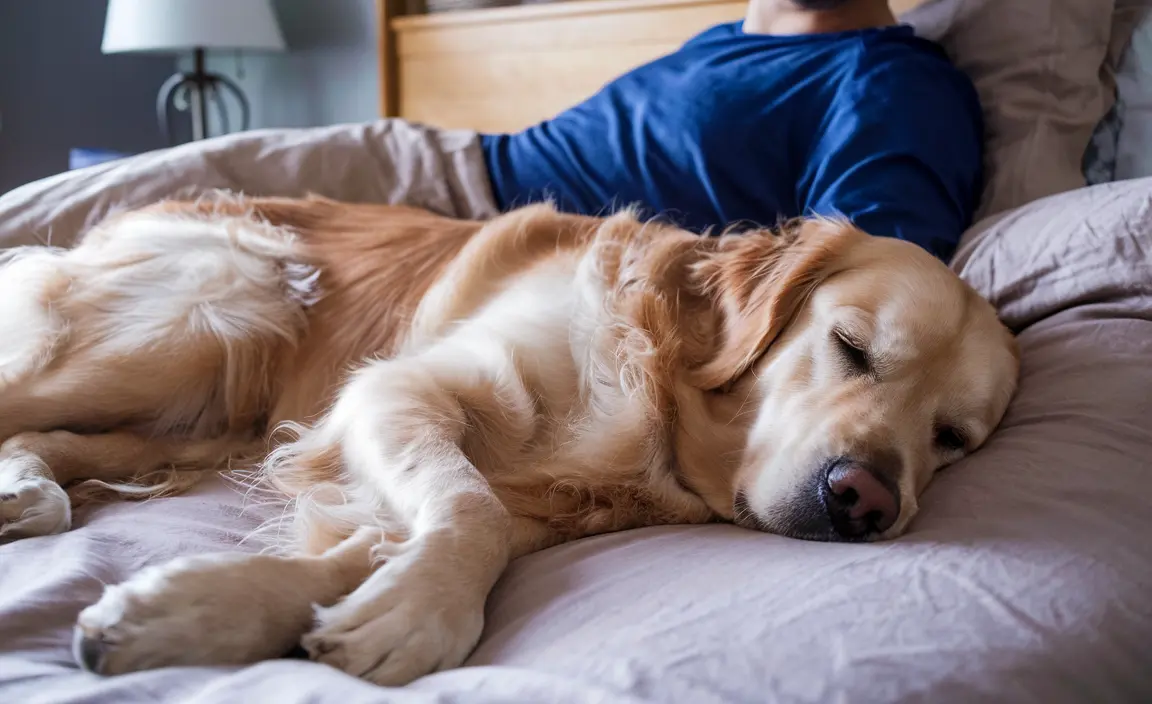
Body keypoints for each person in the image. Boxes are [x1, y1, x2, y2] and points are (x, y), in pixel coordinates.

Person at [0, 0, 982, 262]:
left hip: (475, 213)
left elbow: (876, 282)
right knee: (149, 196)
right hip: (447, 164)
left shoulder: (888, 80)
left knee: (166, 211)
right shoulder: (723, 39)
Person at [483, 0, 983, 260]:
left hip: (487, 219)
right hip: (467, 166)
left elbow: (864, 294)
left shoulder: (891, 85)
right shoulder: (721, 40)